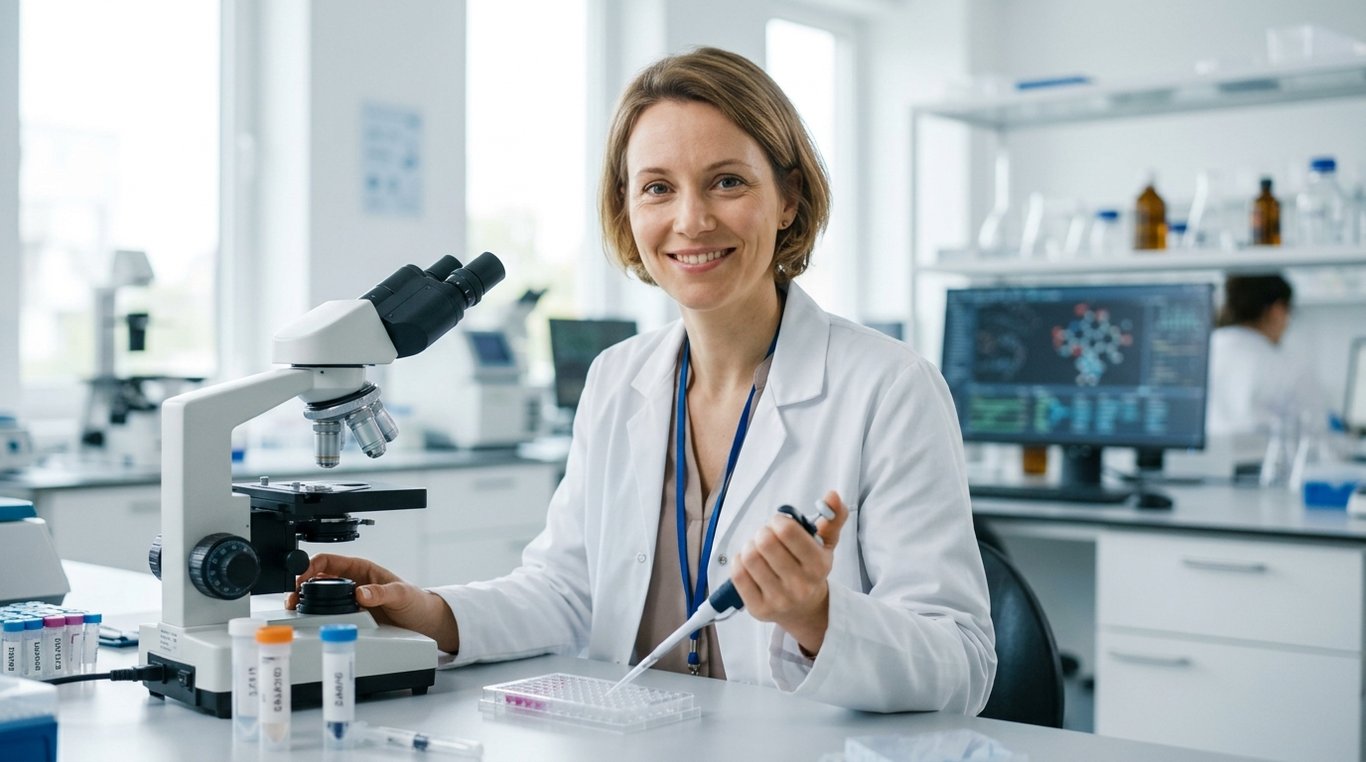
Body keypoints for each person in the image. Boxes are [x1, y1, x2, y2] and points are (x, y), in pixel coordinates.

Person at [290, 47, 995, 714]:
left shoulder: (890, 388)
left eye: (727, 181)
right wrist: (426, 611)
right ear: (629, 211)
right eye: (658, 188)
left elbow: (963, 665)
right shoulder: (618, 378)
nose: (691, 220)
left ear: (787, 199)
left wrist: (817, 615)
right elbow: (566, 593)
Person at [1207, 273, 1328, 437]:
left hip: (1189, 461)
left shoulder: (1200, 353)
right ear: (1277, 311)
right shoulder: (1287, 368)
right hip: (1264, 461)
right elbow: (1316, 438)